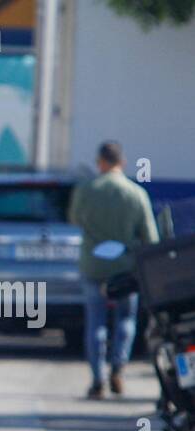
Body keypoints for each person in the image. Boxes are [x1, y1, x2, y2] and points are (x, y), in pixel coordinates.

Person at [69, 140, 160, 398]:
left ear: (100, 162)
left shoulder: (86, 190)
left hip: (93, 266)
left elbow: (75, 219)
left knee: (95, 322)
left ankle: (97, 378)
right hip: (125, 269)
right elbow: (150, 238)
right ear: (123, 162)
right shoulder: (136, 194)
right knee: (126, 321)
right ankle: (118, 369)